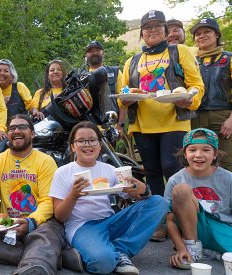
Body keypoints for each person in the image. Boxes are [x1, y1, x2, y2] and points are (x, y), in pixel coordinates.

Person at [119, 10, 204, 233]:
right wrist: (125, 101)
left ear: (166, 31)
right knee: (152, 172)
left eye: (158, 26)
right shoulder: (133, 60)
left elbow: (197, 85)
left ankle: (183, 219)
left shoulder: (180, 51)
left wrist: (190, 101)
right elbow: (125, 91)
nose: (152, 30)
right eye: (148, 27)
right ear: (142, 33)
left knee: (172, 167)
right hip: (142, 124)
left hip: (174, 121)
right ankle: (160, 221)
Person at [49, 121, 167, 275]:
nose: (87, 145)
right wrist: (73, 195)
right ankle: (101, 253)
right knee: (103, 264)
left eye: (92, 140)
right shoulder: (63, 172)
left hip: (111, 221)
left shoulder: (110, 170)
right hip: (82, 227)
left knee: (159, 202)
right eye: (81, 141)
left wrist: (143, 190)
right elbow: (59, 216)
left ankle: (120, 250)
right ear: (72, 146)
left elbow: (136, 198)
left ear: (99, 145)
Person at [0, 114, 67, 274]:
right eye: (12, 128)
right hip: (8, 223)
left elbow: (48, 200)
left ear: (33, 133)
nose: (17, 131)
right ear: (7, 134)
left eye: (22, 127)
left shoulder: (45, 161)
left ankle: (35, 265)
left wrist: (31, 222)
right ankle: (52, 256)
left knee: (45, 235)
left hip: (40, 222)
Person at [164, 128, 231, 270]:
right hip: (192, 230)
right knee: (181, 190)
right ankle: (192, 250)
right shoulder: (176, 179)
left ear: (215, 154)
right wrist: (181, 248)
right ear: (185, 154)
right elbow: (169, 220)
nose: (198, 155)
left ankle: (211, 251)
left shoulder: (228, 178)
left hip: (221, 228)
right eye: (192, 150)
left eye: (206, 150)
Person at [189, 18, 231, 172]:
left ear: (217, 35)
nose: (202, 36)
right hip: (195, 116)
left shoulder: (229, 58)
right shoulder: (191, 60)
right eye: (198, 33)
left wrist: (231, 120)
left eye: (207, 31)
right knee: (197, 162)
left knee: (226, 162)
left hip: (222, 116)